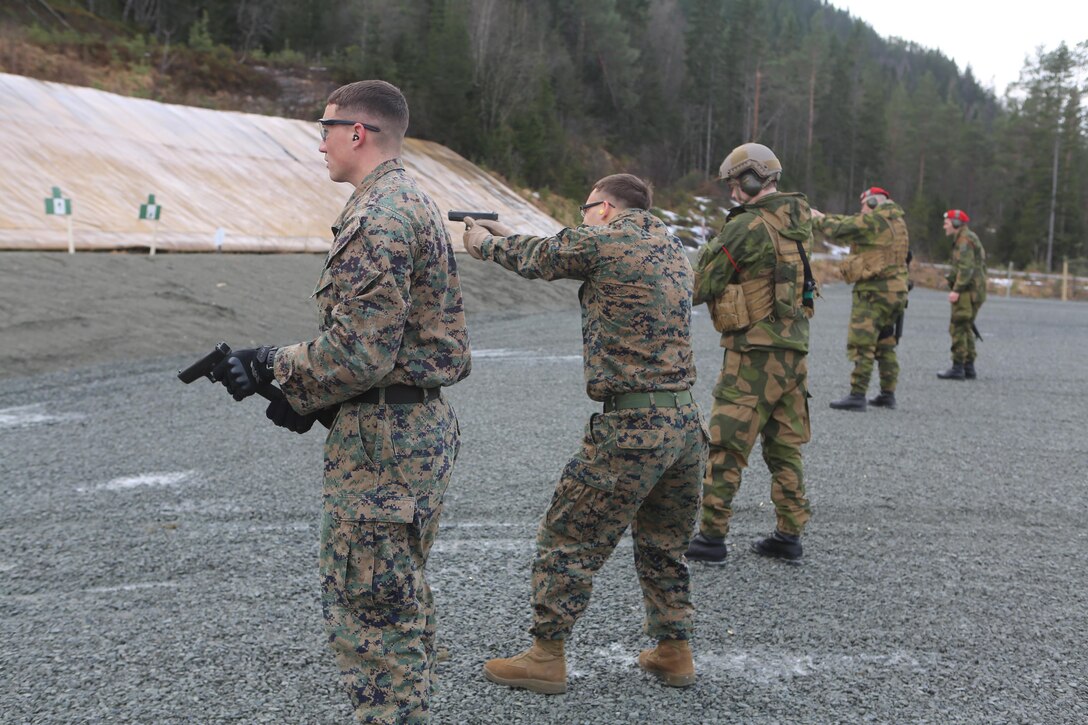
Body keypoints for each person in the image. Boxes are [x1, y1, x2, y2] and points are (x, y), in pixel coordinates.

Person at [213, 80, 471, 723]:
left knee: (372, 608)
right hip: (406, 424)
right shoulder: (409, 200)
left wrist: (269, 362)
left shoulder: (378, 214)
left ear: (358, 132)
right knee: (395, 596)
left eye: (324, 129)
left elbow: (360, 353)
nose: (319, 143)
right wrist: (311, 398)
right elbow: (396, 344)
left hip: (386, 438)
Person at [460, 174, 708, 693]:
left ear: (606, 208)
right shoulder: (668, 246)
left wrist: (483, 244)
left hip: (632, 427)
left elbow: (543, 258)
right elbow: (562, 249)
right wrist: (506, 230)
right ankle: (674, 650)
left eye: (585, 207)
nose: (581, 215)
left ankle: (546, 656)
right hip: (684, 425)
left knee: (568, 537)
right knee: (664, 543)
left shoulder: (603, 239)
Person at [684, 142, 815, 565]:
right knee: (784, 448)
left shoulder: (747, 227)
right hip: (793, 352)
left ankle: (711, 537)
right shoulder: (797, 221)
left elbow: (700, 284)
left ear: (752, 178)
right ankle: (789, 533)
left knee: (726, 446)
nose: (732, 192)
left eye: (735, 183)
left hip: (754, 354)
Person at [812, 187, 910, 411]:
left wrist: (816, 220)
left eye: (864, 205)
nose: (862, 210)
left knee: (862, 343)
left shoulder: (876, 221)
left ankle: (857, 394)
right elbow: (852, 222)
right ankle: (888, 393)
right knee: (885, 343)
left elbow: (842, 227)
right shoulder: (897, 222)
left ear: (874, 202)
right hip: (895, 292)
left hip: (874, 292)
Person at [937, 209, 986, 380]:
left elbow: (966, 268)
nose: (945, 225)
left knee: (958, 326)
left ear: (956, 224)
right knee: (965, 327)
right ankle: (968, 367)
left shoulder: (964, 240)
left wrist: (956, 290)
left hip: (967, 292)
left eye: (947, 222)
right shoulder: (965, 238)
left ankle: (958, 367)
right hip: (973, 291)